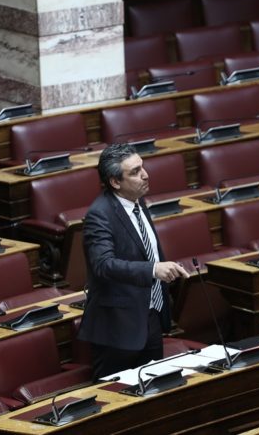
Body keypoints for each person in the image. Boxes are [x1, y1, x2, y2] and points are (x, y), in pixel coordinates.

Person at [78, 143, 190, 381]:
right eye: (135, 172)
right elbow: (103, 265)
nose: (145, 175)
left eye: (143, 167)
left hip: (150, 316)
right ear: (115, 182)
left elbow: (143, 249)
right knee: (116, 396)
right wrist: (153, 269)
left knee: (156, 390)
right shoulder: (99, 214)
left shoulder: (137, 201)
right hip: (118, 328)